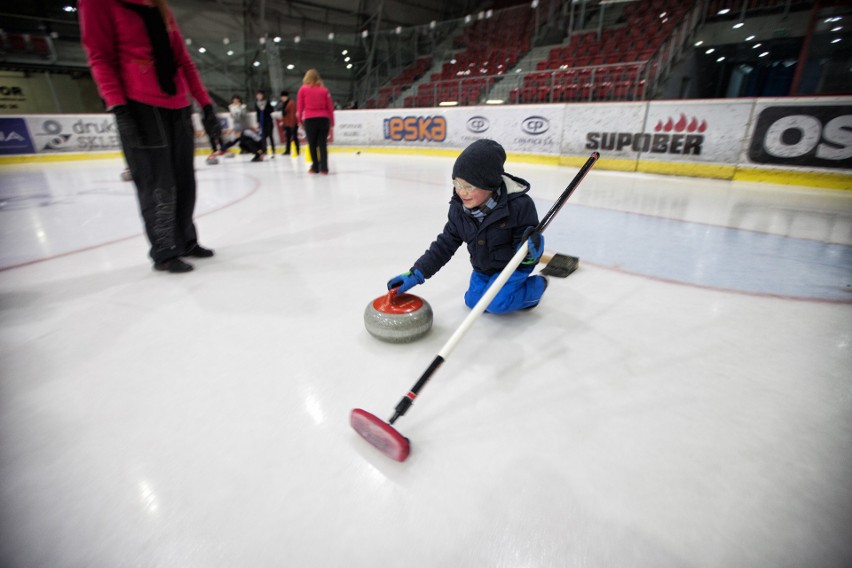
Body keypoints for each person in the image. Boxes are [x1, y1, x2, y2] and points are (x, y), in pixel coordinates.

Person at [79, 0, 219, 274]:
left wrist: (206, 104)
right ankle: (165, 251)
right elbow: (100, 57)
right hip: (140, 105)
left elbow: (183, 61)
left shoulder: (159, 6)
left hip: (178, 105)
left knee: (184, 181)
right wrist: (118, 107)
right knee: (158, 183)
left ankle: (187, 241)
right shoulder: (97, 3)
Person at [386, 139, 548, 314]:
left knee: (497, 304)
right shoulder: (459, 209)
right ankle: (495, 289)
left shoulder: (519, 206)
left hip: (511, 268)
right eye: (457, 184)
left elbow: (527, 247)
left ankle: (536, 287)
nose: (462, 192)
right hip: (483, 269)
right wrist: (416, 273)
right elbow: (444, 245)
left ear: (490, 184)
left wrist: (531, 253)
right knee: (473, 302)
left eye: (469, 186)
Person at [297, 69, 334, 175]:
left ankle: (315, 167)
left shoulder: (302, 90)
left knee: (312, 144)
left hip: (310, 120)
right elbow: (330, 107)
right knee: (322, 144)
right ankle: (325, 168)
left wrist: (299, 120)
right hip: (323, 119)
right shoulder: (324, 90)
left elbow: (300, 107)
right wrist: (332, 121)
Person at [278, 90, 299, 156]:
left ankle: (297, 150)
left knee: (294, 137)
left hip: (292, 123)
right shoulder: (283, 104)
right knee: (288, 137)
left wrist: (292, 124)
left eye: (284, 97)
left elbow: (292, 114)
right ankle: (288, 150)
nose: (283, 98)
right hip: (287, 123)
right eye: (282, 97)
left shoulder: (291, 103)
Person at [255, 90, 275, 158]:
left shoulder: (267, 102)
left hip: (268, 122)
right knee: (263, 137)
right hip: (262, 122)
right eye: (258, 95)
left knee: (270, 136)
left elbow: (271, 110)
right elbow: (257, 114)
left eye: (260, 95)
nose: (259, 96)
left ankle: (273, 150)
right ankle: (264, 150)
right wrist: (258, 122)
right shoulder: (257, 103)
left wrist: (265, 109)